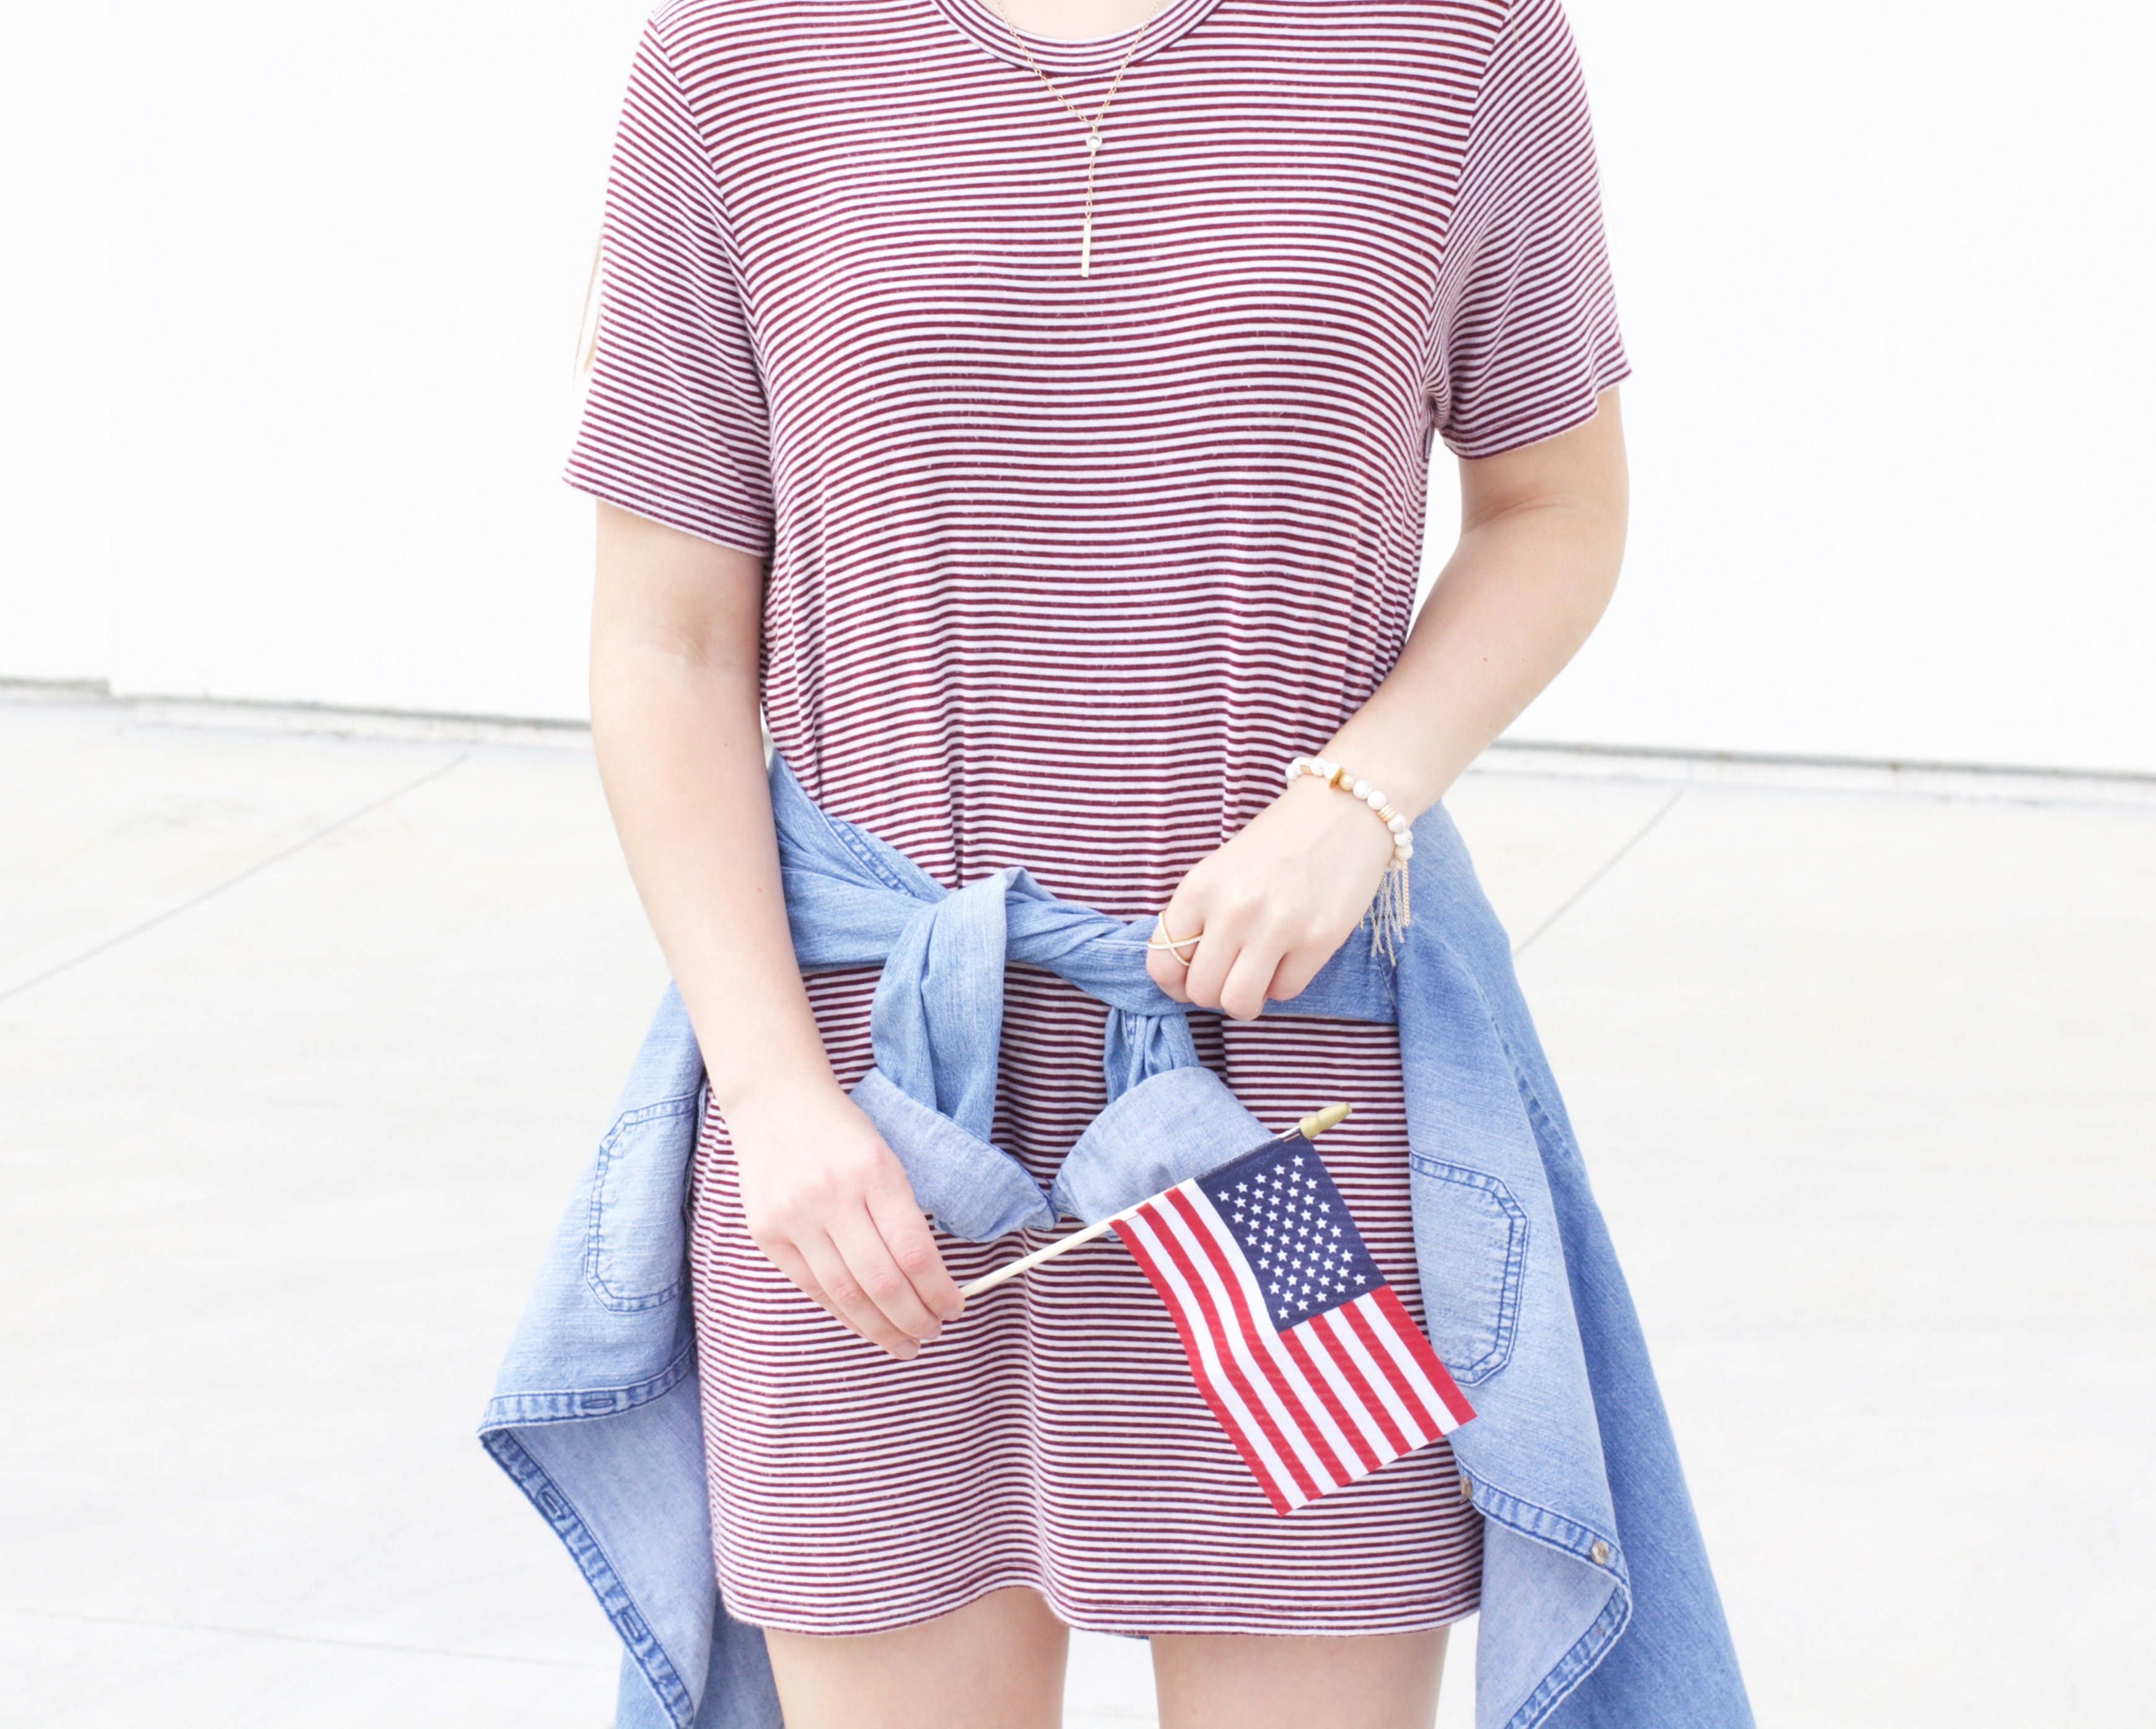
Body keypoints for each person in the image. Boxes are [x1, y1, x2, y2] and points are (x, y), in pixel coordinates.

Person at [565, 0, 1646, 1723]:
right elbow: (669, 642)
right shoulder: (739, 50)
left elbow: (1557, 505)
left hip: (1296, 1099)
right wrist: (771, 1105)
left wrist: (1359, 800)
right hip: (865, 1129)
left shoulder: (1458, 35)